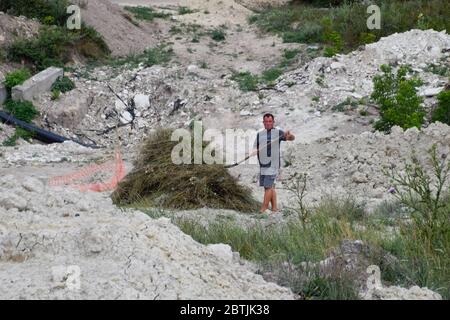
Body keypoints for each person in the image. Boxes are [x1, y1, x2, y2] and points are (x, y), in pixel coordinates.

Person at [253, 113, 295, 213]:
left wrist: (289, 135)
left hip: (273, 164)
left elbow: (291, 138)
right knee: (270, 187)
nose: (268, 123)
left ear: (273, 122)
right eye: (266, 122)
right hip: (263, 164)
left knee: (268, 187)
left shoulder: (278, 133)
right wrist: (256, 150)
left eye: (270, 121)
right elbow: (255, 147)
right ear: (263, 122)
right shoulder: (260, 134)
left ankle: (263, 209)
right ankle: (275, 208)